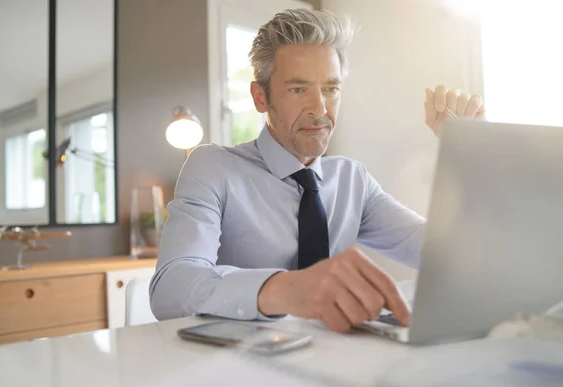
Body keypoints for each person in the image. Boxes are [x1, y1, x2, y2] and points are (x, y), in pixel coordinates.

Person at [149, 9, 484, 332]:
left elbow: (447, 255)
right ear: (260, 97)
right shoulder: (213, 168)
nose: (320, 108)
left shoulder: (353, 181)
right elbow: (170, 288)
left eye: (331, 88)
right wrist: (290, 289)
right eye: (298, 89)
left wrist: (469, 151)